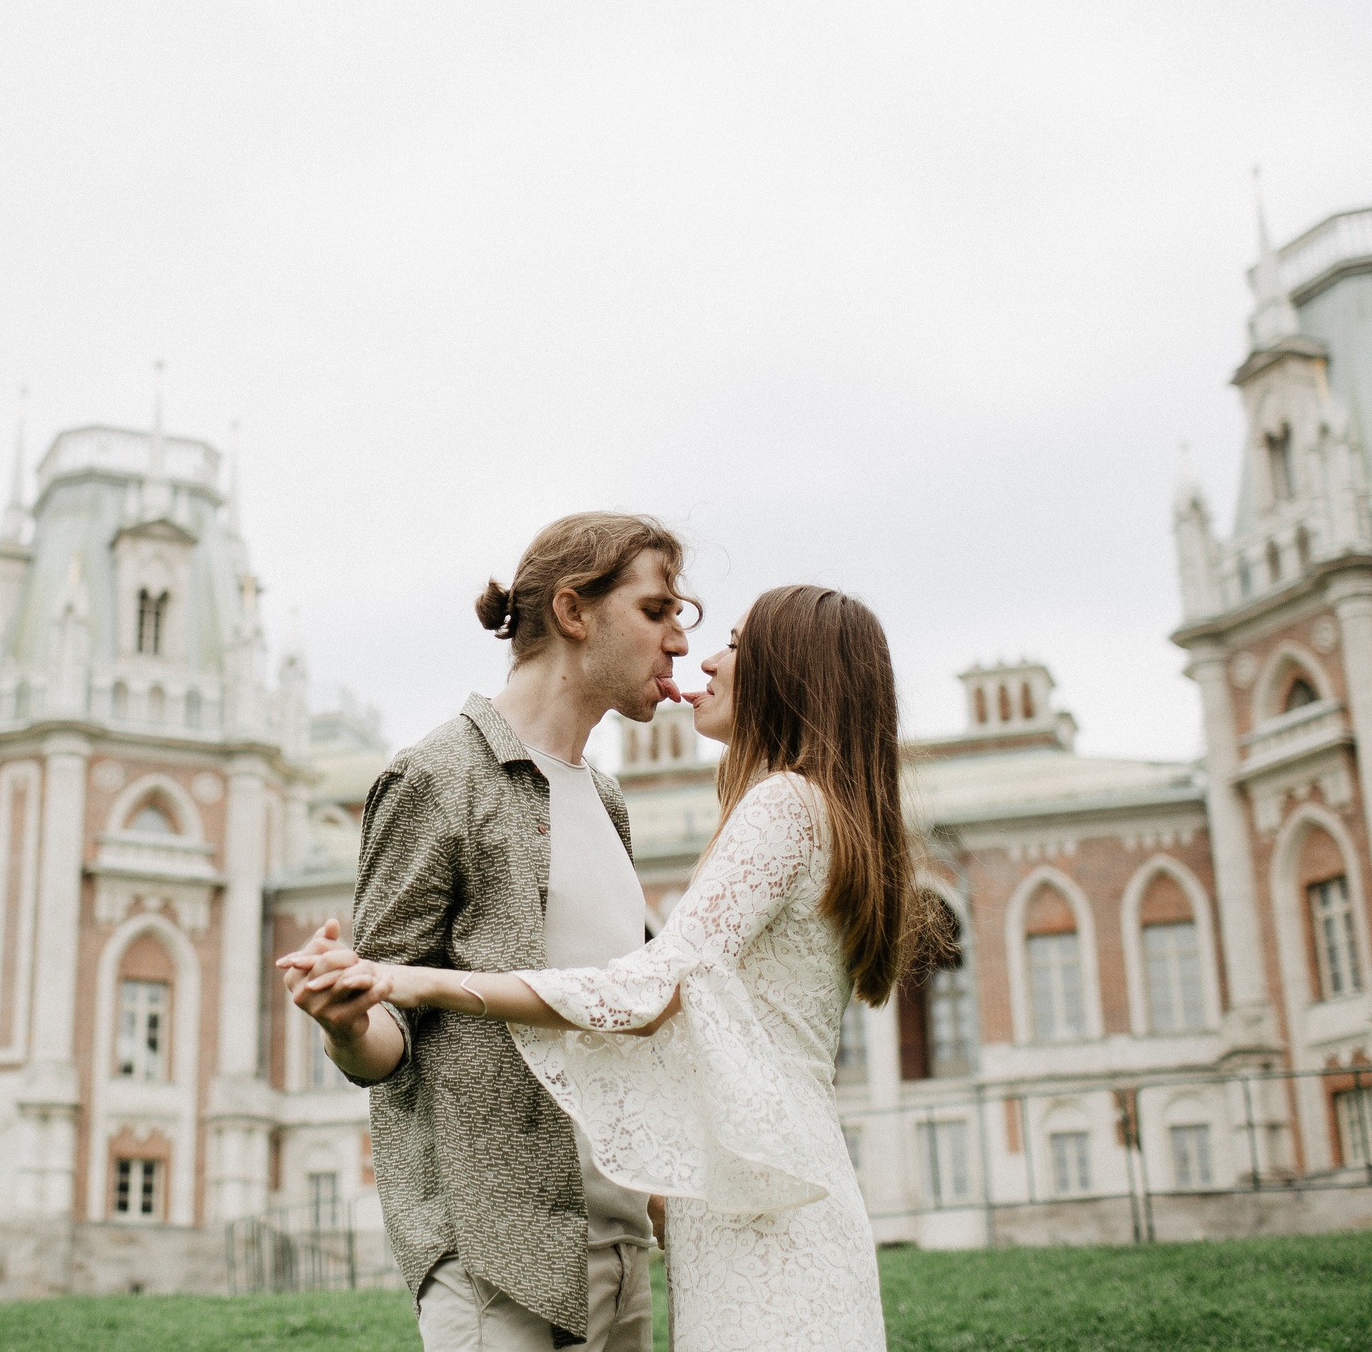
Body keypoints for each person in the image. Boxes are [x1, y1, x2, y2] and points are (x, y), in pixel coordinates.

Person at [287, 584, 933, 1352]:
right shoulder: (831, 812)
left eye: (735, 643)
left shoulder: (782, 803)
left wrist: (416, 979)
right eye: (662, 615)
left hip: (762, 1213)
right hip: (788, 1191)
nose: (704, 657)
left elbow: (652, 989)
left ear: (790, 673)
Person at [282, 512, 695, 1351]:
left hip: (621, 1246)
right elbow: (388, 1032)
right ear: (574, 612)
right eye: (656, 611)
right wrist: (345, 1021)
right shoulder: (436, 776)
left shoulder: (607, 800)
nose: (680, 642)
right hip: (492, 1259)